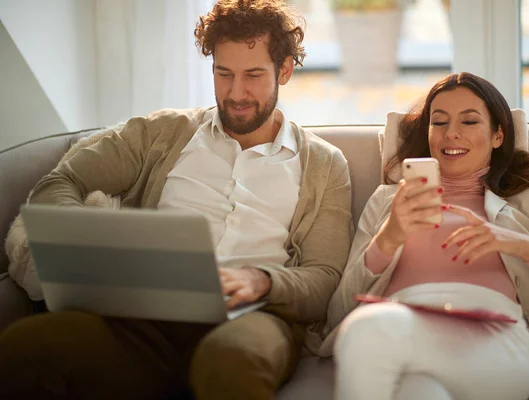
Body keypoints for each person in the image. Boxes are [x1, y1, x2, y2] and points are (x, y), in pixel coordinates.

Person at [0, 1, 353, 399]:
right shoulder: (161, 133)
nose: (236, 93)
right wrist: (94, 244)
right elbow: (61, 181)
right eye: (224, 73)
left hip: (255, 319)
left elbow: (324, 278)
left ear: (284, 70)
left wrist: (262, 281)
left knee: (230, 363)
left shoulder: (324, 165)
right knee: (27, 346)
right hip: (143, 319)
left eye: (253, 75)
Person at [320, 72, 529, 400]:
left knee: (366, 331)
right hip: (403, 322)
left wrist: (528, 249)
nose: (451, 134)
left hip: (493, 338)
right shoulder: (387, 201)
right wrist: (389, 237)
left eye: (469, 121)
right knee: (419, 393)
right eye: (438, 122)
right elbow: (337, 315)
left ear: (498, 135)